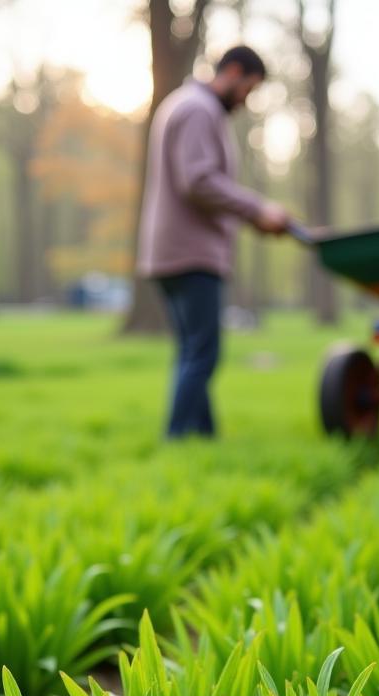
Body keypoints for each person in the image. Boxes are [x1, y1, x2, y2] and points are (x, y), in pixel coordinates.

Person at [137, 45, 290, 438]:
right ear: (233, 71)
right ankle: (177, 439)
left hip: (169, 253)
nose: (246, 99)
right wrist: (256, 209)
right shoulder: (197, 110)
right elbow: (199, 180)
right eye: (248, 89)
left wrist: (253, 217)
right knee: (203, 354)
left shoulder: (183, 105)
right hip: (191, 255)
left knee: (193, 353)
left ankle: (203, 438)